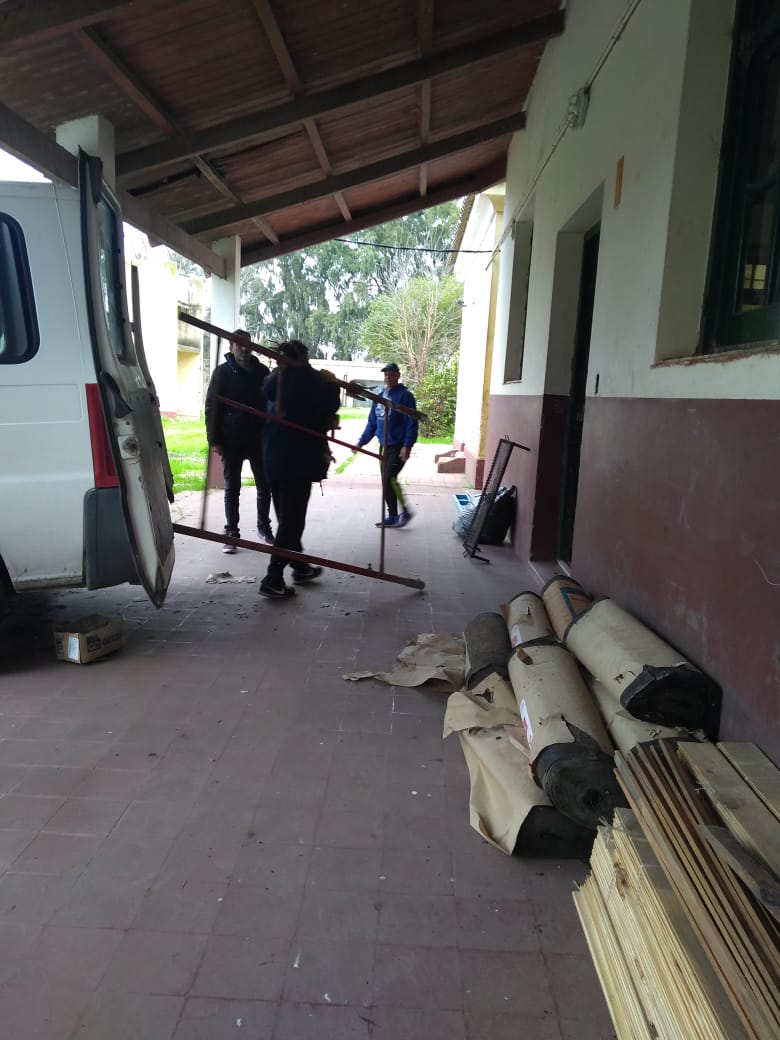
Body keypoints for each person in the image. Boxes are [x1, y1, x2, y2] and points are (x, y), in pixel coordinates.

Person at [260, 340, 340, 599]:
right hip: (298, 459)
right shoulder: (308, 379)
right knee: (292, 522)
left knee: (287, 518)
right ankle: (273, 578)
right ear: (303, 357)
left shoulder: (273, 380)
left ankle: (300, 566)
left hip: (272, 457)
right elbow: (328, 406)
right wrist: (332, 384)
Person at [205, 329, 274, 553]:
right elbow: (212, 407)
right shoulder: (221, 373)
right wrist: (214, 439)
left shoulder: (263, 372)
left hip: (258, 439)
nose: (244, 349)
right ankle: (232, 531)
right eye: (239, 344)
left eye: (247, 344)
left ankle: (263, 526)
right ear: (231, 346)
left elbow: (271, 403)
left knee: (264, 485)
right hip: (231, 439)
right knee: (232, 487)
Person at [355, 362, 418, 527]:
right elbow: (372, 423)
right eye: (385, 374)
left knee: (389, 477)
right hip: (384, 446)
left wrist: (407, 446)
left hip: (398, 445)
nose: (388, 377)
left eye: (391, 374)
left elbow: (412, 422)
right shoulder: (380, 396)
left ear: (398, 375)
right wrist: (361, 443)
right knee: (386, 480)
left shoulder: (405, 396)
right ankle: (393, 515)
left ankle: (405, 511)